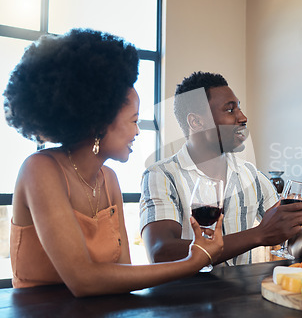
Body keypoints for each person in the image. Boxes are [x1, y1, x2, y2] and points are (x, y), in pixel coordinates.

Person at [3, 29, 223, 297]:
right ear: (100, 120)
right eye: (134, 120)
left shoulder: (109, 180)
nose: (138, 131)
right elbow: (83, 280)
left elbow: (122, 274)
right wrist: (192, 262)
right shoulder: (40, 169)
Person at [140, 71, 302, 265]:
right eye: (230, 110)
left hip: (241, 295)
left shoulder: (252, 176)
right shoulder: (162, 176)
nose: (243, 117)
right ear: (196, 122)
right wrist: (259, 234)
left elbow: (294, 247)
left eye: (239, 108)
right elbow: (161, 252)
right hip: (185, 295)